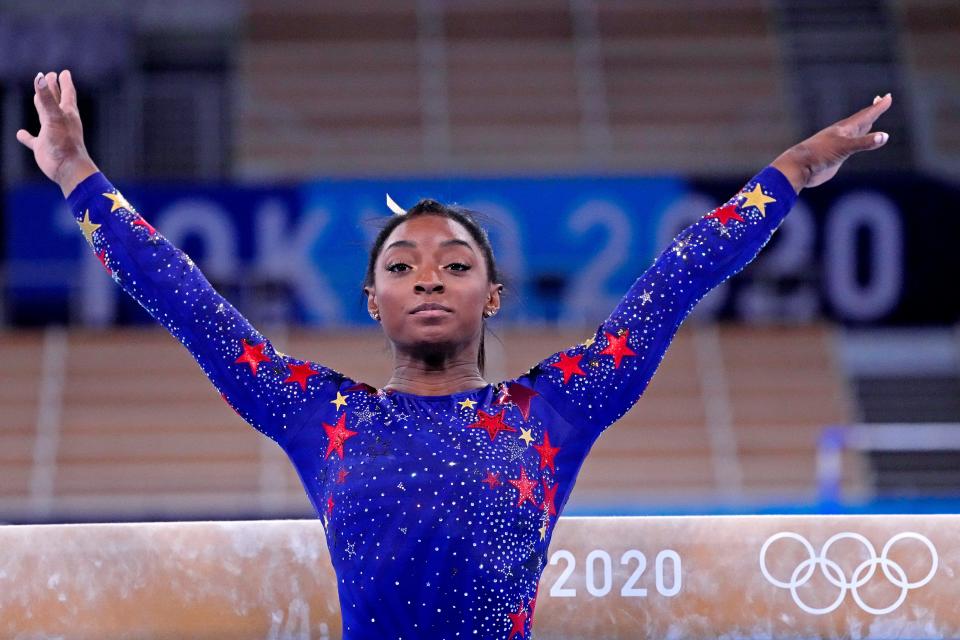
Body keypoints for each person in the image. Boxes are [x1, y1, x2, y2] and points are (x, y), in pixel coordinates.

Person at [17, 69, 891, 639]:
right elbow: (186, 300)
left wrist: (797, 167)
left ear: (492, 296)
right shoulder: (319, 416)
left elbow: (676, 277)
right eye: (402, 265)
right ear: (374, 301)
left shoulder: (557, 409)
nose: (428, 278)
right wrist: (75, 176)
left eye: (454, 264)